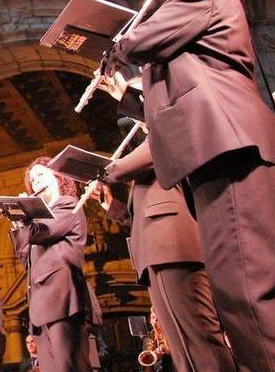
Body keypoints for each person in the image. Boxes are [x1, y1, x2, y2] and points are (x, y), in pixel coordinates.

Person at [111, 0, 275, 372]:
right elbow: (173, 93)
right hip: (218, 152)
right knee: (240, 292)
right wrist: (126, 85)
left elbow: (141, 42)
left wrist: (119, 41)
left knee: (250, 290)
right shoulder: (189, 20)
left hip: (231, 149)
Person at [95, 107, 235, 372]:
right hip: (156, 251)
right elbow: (142, 215)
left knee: (198, 338)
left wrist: (94, 169)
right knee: (182, 345)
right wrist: (113, 207)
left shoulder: (164, 132)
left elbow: (117, 170)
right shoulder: (153, 150)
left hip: (173, 248)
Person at [9, 157, 90, 372]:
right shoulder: (35, 222)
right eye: (32, 179)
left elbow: (42, 233)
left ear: (57, 178)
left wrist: (24, 216)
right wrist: (18, 221)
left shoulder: (67, 205)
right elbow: (25, 257)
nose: (36, 182)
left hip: (62, 298)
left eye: (41, 175)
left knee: (68, 366)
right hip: (40, 304)